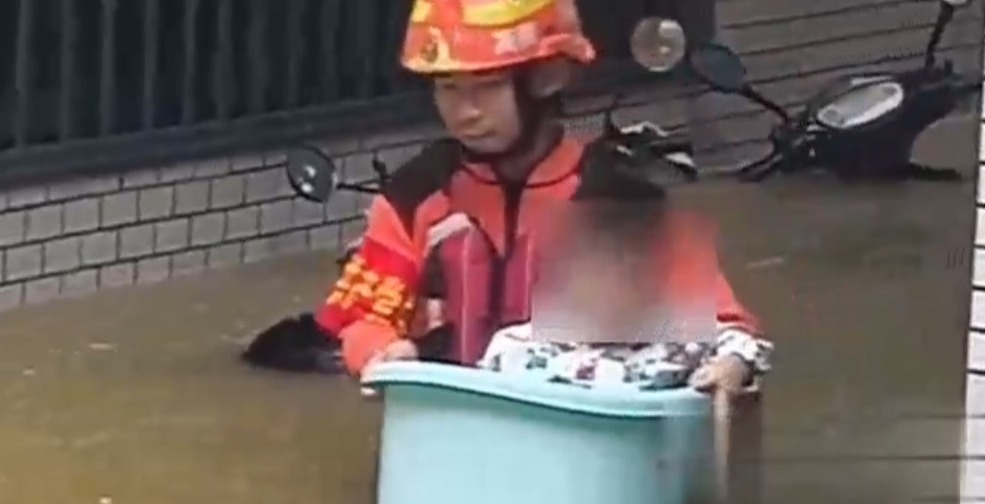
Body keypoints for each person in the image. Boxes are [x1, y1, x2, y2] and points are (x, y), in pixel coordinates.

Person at [311, 0, 769, 395]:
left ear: (545, 79)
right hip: (444, 425)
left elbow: (725, 325)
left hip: (572, 431)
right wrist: (379, 354)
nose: (465, 112)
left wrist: (730, 368)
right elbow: (362, 318)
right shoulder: (415, 194)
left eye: (487, 87)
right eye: (448, 88)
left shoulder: (612, 193)